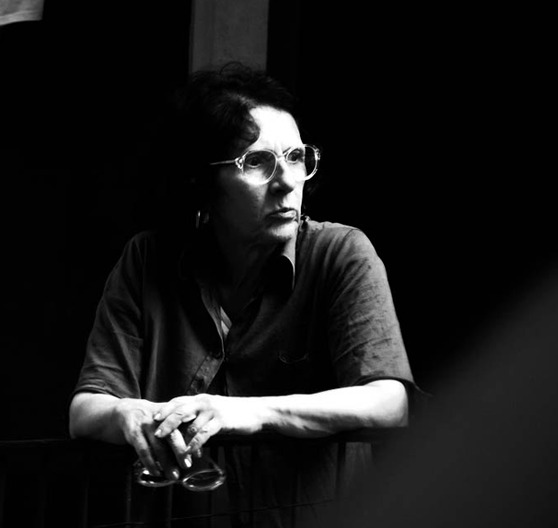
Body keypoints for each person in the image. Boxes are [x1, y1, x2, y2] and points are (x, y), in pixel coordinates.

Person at [69, 62, 422, 527]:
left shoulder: (340, 253)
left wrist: (245, 414)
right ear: (202, 182)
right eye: (256, 162)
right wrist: (127, 414)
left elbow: (389, 402)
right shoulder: (147, 259)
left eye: (296, 157)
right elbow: (85, 409)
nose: (288, 181)